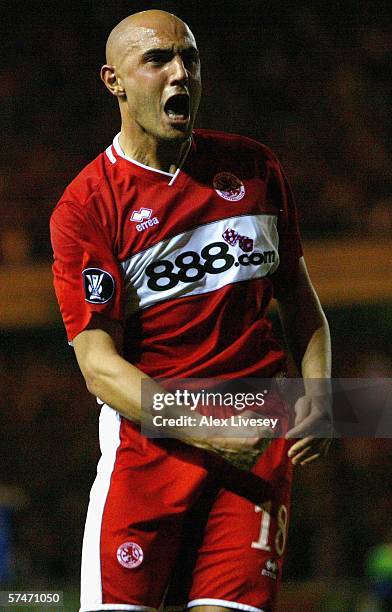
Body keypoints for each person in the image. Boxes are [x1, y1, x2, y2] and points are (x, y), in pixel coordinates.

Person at [50, 10, 331, 612]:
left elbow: (302, 305)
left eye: (190, 60)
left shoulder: (255, 168)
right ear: (113, 81)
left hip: (256, 444)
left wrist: (324, 396)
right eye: (157, 61)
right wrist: (205, 425)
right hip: (150, 459)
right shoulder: (87, 206)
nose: (181, 74)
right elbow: (99, 367)